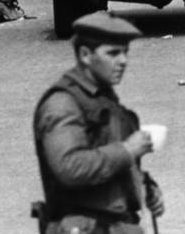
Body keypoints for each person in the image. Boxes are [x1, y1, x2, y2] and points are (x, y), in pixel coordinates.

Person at [33, 12, 165, 234]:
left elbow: (107, 154)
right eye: (113, 53)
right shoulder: (63, 104)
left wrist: (145, 185)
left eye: (125, 53)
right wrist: (127, 150)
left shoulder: (102, 99)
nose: (123, 61)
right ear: (85, 55)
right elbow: (70, 166)